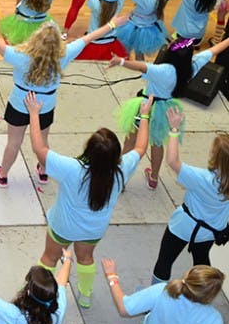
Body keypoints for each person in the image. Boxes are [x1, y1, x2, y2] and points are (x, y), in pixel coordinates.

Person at [0, 7, 129, 186]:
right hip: (46, 105)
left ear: (36, 39)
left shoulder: (21, 57)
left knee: (13, 143)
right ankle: (43, 172)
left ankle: (3, 175)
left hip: (20, 103)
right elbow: (89, 37)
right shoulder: (64, 55)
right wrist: (113, 24)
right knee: (43, 143)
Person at [26, 92, 149, 309]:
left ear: (89, 150)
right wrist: (144, 117)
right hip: (93, 230)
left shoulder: (72, 169)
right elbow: (140, 148)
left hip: (63, 226)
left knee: (49, 258)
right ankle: (85, 296)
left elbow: (39, 148)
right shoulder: (121, 170)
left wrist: (34, 113)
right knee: (85, 258)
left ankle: (37, 294)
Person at [151, 111, 229, 284]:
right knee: (201, 262)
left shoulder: (202, 178)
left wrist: (174, 129)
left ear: (215, 157)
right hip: (211, 231)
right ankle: (201, 295)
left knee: (165, 261)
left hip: (183, 227)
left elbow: (172, 161)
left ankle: (154, 300)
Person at [111, 40, 195, 189]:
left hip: (147, 106)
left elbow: (141, 67)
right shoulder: (190, 67)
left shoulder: (164, 70)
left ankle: (121, 177)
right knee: (157, 143)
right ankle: (154, 177)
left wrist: (121, 61)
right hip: (164, 110)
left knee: (131, 140)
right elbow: (211, 52)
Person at [99, 260, 226, 324]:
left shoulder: (163, 291)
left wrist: (112, 276)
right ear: (211, 295)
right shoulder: (212, 319)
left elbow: (124, 308)